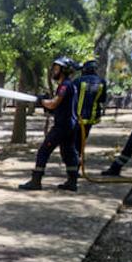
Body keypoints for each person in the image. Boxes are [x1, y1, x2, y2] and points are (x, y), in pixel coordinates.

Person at [19, 56, 81, 192]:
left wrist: (41, 101)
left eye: (57, 68)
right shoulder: (70, 85)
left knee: (43, 151)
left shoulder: (65, 85)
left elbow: (54, 104)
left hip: (62, 126)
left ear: (64, 70)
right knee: (68, 153)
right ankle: (72, 182)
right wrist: (46, 103)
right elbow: (61, 106)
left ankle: (36, 181)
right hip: (70, 125)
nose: (54, 71)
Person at [73, 59, 108, 153]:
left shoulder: (78, 81)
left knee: (75, 141)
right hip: (91, 117)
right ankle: (79, 155)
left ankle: (76, 158)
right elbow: (103, 99)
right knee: (82, 139)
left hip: (77, 117)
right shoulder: (102, 82)